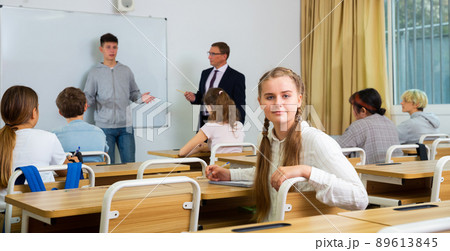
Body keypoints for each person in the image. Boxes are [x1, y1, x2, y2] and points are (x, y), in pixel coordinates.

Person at [206, 67, 368, 222]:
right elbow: (268, 173)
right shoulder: (265, 138)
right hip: (271, 229)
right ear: (260, 102)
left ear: (299, 100)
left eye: (285, 96)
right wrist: (229, 175)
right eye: (270, 97)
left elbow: (360, 199)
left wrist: (306, 171)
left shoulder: (316, 141)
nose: (278, 103)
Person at [0, 86, 77, 211]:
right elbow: (66, 172)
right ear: (33, 112)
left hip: (4, 216)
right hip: (35, 216)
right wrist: (75, 162)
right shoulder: (48, 138)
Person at [84, 33, 155, 163]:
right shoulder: (95, 72)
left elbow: (134, 93)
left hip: (125, 127)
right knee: (107, 167)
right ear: (101, 49)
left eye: (115, 47)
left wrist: (141, 98)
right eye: (108, 47)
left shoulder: (126, 70)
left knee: (129, 165)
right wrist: (82, 104)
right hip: (104, 127)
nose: (112, 50)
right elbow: (89, 96)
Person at [184, 42, 246, 129]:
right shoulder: (205, 73)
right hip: (204, 121)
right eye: (209, 53)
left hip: (224, 122)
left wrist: (238, 126)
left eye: (213, 54)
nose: (209, 57)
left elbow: (240, 104)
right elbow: (202, 96)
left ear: (224, 56)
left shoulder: (237, 77)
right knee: (200, 143)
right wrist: (194, 98)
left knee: (219, 143)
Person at [336, 88, 400, 164]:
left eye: (353, 109)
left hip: (370, 173)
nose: (353, 113)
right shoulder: (390, 123)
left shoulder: (359, 126)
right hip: (395, 172)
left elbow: (336, 149)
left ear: (363, 110)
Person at [179, 88, 244, 156]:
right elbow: (226, 148)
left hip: (218, 165)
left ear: (209, 106)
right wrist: (207, 147)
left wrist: (199, 148)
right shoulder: (239, 125)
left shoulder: (210, 126)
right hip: (237, 166)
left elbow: (182, 152)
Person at [53, 87, 109, 163]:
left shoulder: (54, 135)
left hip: (70, 174)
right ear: (85, 107)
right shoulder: (99, 132)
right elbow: (105, 157)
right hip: (96, 174)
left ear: (60, 112)